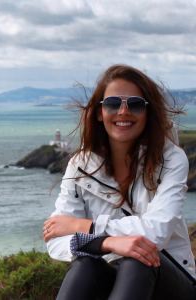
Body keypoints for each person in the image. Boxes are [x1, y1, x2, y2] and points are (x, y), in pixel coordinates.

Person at [43, 65, 196, 300]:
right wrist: (109, 243)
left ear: (148, 112)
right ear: (99, 112)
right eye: (113, 103)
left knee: (140, 258)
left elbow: (155, 234)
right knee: (86, 265)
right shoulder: (80, 164)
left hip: (169, 282)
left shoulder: (170, 158)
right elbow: (55, 243)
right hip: (112, 276)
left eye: (135, 104)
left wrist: (85, 227)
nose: (123, 111)